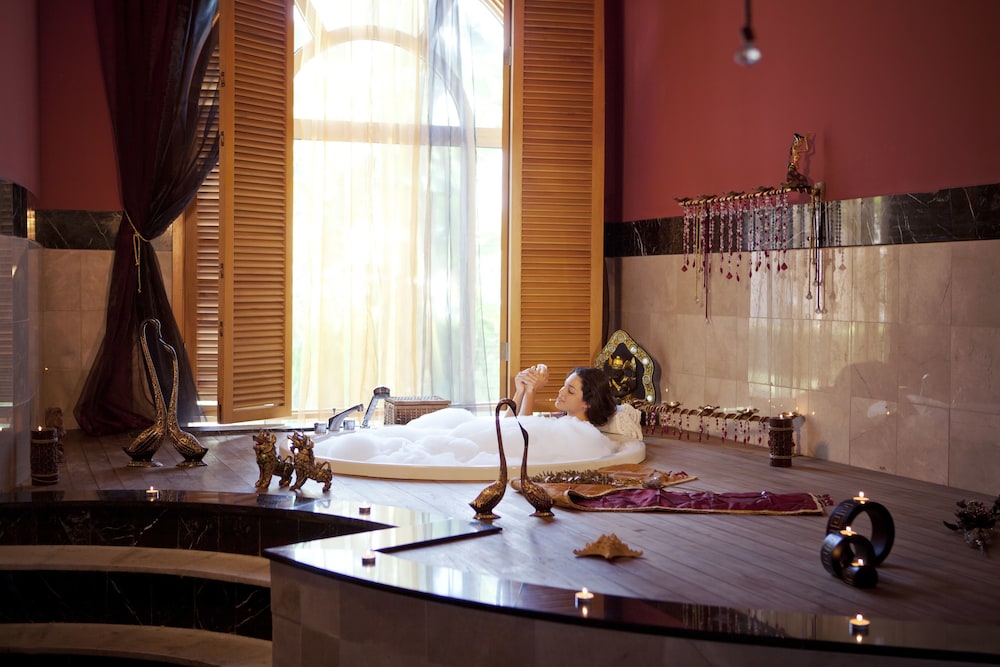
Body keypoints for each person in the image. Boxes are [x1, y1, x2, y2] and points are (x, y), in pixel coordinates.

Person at [511, 364, 618, 427]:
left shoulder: (578, 433)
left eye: (570, 391)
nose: (561, 392)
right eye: (564, 386)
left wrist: (531, 391)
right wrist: (520, 391)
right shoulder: (561, 424)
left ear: (588, 403)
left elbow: (520, 437)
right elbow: (505, 431)